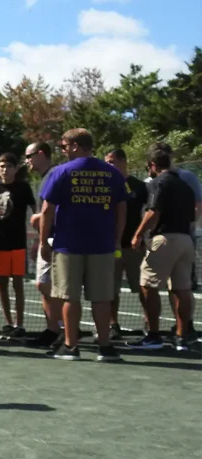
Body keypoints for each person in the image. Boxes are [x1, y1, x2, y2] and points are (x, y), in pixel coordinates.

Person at [39, 128, 127, 362]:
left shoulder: (60, 172)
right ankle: (105, 347)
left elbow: (47, 210)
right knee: (101, 298)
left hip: (69, 245)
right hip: (103, 245)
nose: (63, 150)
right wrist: (116, 239)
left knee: (69, 297)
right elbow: (122, 209)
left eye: (65, 146)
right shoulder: (113, 173)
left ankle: (71, 346)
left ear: (75, 146)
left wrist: (42, 242)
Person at [129, 147, 198, 351]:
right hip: (186, 240)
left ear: (152, 165)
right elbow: (193, 215)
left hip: (165, 238)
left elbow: (153, 212)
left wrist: (138, 234)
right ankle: (181, 337)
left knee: (147, 285)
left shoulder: (160, 183)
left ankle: (153, 335)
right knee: (182, 289)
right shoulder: (184, 185)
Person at [0, 153, 36, 340]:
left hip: (18, 242)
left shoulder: (23, 186)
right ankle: (8, 323)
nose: (5, 169)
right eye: (2, 166)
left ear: (15, 169)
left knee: (18, 283)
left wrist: (40, 231)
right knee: (2, 284)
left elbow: (35, 209)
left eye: (9, 166)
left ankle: (20, 325)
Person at [104, 148, 149, 340]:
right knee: (110, 290)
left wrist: (142, 238)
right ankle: (113, 325)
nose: (109, 165)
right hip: (110, 247)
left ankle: (149, 324)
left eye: (112, 161)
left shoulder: (139, 186)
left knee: (143, 288)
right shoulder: (104, 184)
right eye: (106, 162)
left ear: (123, 161)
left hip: (134, 247)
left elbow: (149, 212)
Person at [23, 141, 63, 350]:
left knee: (49, 285)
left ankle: (62, 328)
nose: (27, 161)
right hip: (46, 241)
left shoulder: (56, 174)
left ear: (41, 154)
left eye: (29, 156)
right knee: (43, 286)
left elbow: (56, 210)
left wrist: (39, 218)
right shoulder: (43, 179)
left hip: (57, 242)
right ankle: (53, 330)